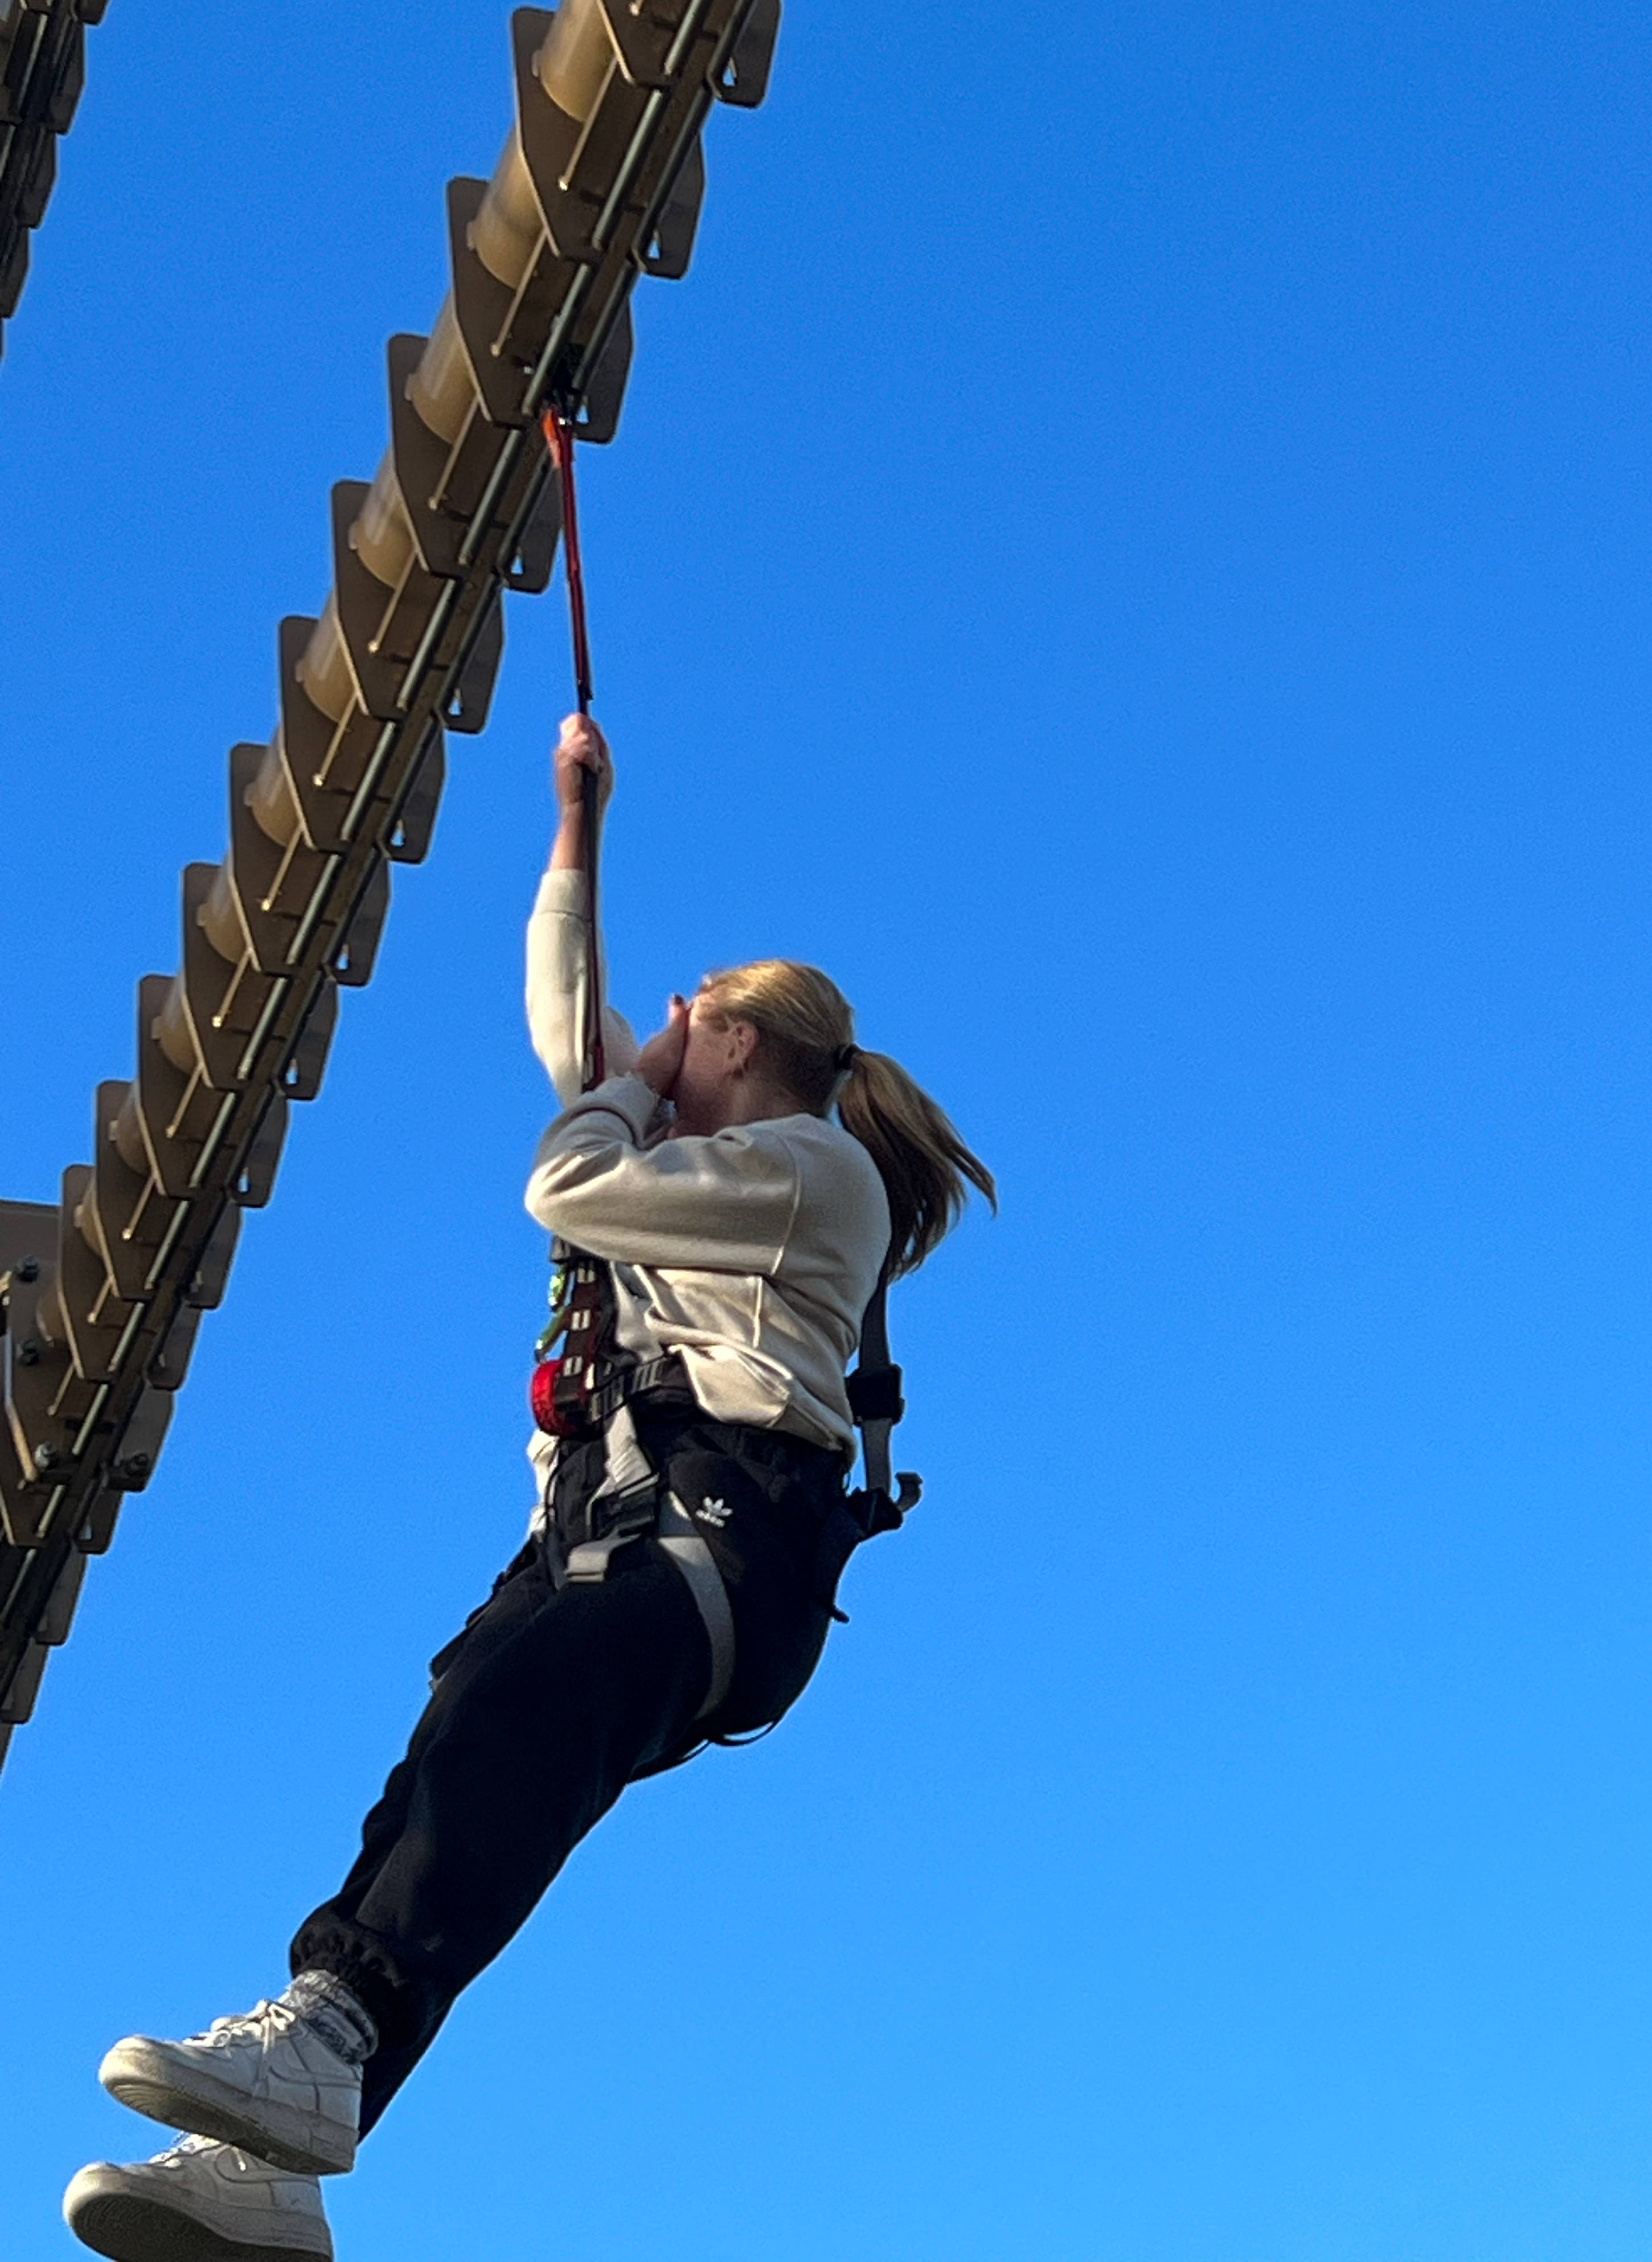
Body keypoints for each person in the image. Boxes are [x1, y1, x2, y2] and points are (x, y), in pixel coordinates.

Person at [63, 713, 995, 2262]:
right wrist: (578, 826)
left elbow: (564, 1170)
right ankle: (283, 2149)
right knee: (455, 1760)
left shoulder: (809, 1169)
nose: (652, 1047)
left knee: (511, 1717)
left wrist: (630, 1081)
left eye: (683, 1027)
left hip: (715, 1536)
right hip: (613, 1533)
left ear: (735, 1044)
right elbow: (573, 1035)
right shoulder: (696, 1174)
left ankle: (327, 2039)